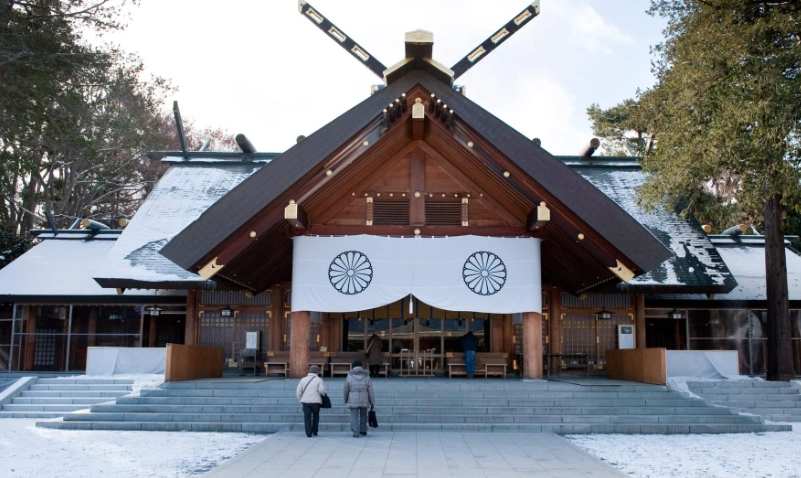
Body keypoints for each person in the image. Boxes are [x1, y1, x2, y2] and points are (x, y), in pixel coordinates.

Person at [343, 360, 374, 437]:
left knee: (354, 416)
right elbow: (370, 390)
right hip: (364, 397)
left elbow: (346, 389)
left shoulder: (349, 376)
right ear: (361, 366)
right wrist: (372, 401)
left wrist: (345, 399)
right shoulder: (366, 376)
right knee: (363, 415)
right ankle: (363, 430)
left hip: (353, 398)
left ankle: (355, 432)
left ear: (353, 366)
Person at [296, 365, 327, 437]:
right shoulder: (319, 380)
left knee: (307, 417)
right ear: (317, 371)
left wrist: (300, 399)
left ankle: (308, 433)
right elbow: (321, 390)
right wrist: (323, 394)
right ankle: (315, 431)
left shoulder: (303, 379)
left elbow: (298, 391)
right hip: (316, 401)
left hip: (305, 401)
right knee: (316, 416)